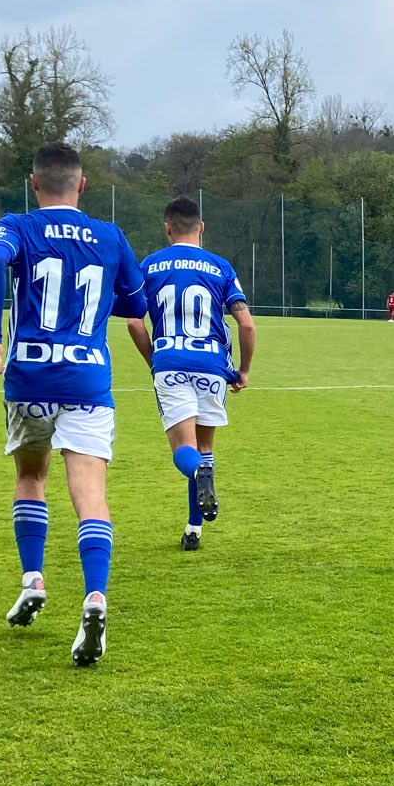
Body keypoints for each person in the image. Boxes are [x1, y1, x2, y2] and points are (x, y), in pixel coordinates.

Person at [0, 143, 147, 666]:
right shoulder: (110, 235)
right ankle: (95, 595)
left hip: (30, 377)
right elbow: (136, 304)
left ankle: (33, 580)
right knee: (90, 493)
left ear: (35, 183)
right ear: (83, 184)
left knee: (32, 479)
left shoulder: (19, 225)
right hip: (88, 379)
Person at [128, 195, 258, 552]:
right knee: (205, 448)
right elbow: (245, 323)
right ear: (201, 227)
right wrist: (243, 370)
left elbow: (133, 322)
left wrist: (154, 357)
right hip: (213, 365)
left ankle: (199, 479)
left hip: (171, 361)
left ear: (167, 228)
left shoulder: (150, 265)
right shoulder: (220, 266)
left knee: (186, 452)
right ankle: (193, 530)